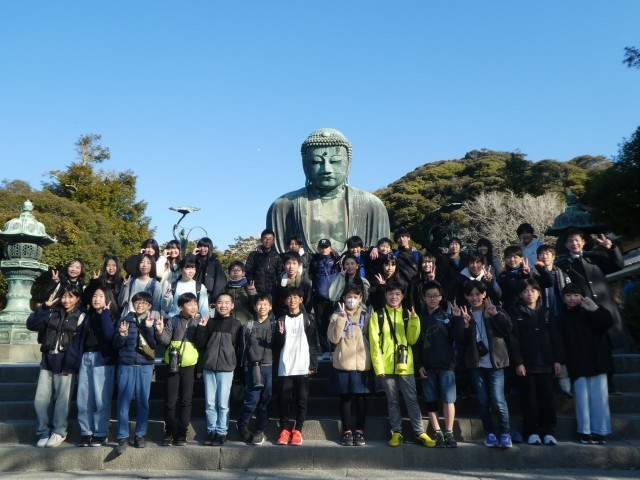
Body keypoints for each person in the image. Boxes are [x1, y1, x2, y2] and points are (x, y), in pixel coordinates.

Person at [267, 127, 390, 254]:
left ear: (348, 164)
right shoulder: (283, 206)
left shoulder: (372, 206)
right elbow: (278, 255)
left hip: (353, 267)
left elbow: (383, 254)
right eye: (316, 162)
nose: (326, 169)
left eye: (335, 161)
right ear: (305, 165)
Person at [368, 282, 435, 448]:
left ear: (402, 296)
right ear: (386, 295)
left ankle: (419, 432)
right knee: (392, 400)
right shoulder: (378, 315)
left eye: (397, 294)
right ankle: (396, 431)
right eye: (391, 294)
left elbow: (412, 340)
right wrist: (378, 367)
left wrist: (414, 321)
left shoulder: (407, 314)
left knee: (411, 399)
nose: (394, 297)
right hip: (386, 365)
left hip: (405, 364)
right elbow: (374, 343)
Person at [27, 285, 86, 448]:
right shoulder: (52, 312)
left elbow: (78, 344)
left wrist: (70, 365)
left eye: (71, 297)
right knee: (41, 399)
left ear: (77, 298)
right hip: (48, 359)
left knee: (62, 400)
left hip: (65, 362)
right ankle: (43, 431)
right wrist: (44, 308)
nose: (66, 300)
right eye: (64, 296)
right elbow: (31, 324)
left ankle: (59, 431)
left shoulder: (81, 316)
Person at [556, 283, 613, 444]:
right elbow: (560, 343)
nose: (572, 299)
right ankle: (585, 431)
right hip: (576, 362)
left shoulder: (590, 311)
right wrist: (561, 362)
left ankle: (600, 431)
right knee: (582, 398)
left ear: (581, 296)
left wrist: (595, 309)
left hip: (597, 361)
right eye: (568, 295)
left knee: (599, 398)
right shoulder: (560, 319)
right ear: (563, 299)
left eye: (575, 295)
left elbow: (608, 322)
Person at [508, 279, 562, 446]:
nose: (529, 294)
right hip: (527, 364)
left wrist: (558, 360)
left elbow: (555, 337)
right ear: (520, 295)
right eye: (525, 291)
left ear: (539, 293)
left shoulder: (546, 312)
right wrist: (518, 362)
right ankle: (531, 431)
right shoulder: (516, 313)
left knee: (548, 400)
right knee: (529, 400)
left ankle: (549, 432)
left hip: (546, 362)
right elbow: (514, 339)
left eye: (533, 290)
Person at [459, 280, 513, 448]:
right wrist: (465, 326)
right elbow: (461, 341)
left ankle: (505, 433)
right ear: (466, 296)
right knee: (482, 401)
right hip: (477, 365)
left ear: (484, 294)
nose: (474, 298)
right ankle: (489, 433)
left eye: (478, 294)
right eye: (471, 295)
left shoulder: (493, 309)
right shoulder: (464, 314)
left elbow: (507, 329)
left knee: (498, 400)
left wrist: (496, 314)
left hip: (495, 363)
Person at [555, 229, 626, 349]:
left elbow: (618, 266)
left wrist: (611, 249)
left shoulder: (594, 257)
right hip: (585, 310)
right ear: (566, 245)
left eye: (577, 240)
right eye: (570, 241)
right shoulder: (563, 264)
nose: (574, 243)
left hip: (606, 305)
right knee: (596, 345)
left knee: (616, 343)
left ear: (583, 242)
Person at [414, 281, 464, 448]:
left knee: (448, 400)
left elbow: (459, 338)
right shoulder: (419, 319)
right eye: (429, 296)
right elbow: (416, 344)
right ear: (424, 298)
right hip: (427, 366)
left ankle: (449, 432)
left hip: (446, 365)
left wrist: (457, 319)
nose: (432, 299)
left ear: (441, 297)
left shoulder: (448, 317)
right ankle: (437, 432)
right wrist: (418, 365)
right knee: (430, 400)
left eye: (435, 296)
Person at [194, 292, 243, 446]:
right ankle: (211, 431)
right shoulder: (210, 322)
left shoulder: (236, 324)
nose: (223, 305)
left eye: (227, 302)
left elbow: (239, 349)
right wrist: (201, 328)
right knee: (210, 402)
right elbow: (200, 345)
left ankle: (222, 432)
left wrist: (238, 371)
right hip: (209, 367)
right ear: (215, 305)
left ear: (232, 305)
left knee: (223, 403)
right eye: (220, 302)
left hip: (227, 368)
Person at [327, 285, 372, 446]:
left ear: (361, 299)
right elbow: (333, 338)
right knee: (345, 398)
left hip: (362, 363)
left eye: (355, 297)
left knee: (361, 398)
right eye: (349, 297)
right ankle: (347, 431)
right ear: (344, 299)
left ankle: (360, 431)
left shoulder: (366, 316)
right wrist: (341, 319)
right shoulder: (335, 316)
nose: (352, 300)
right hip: (343, 363)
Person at [155, 292, 202, 446]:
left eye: (195, 303)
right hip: (173, 364)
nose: (193, 307)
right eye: (189, 304)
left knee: (186, 401)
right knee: (170, 401)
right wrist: (160, 331)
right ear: (181, 306)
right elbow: (165, 341)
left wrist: (201, 328)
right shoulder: (174, 320)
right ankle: (169, 431)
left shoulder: (199, 321)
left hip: (190, 365)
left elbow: (202, 343)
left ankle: (182, 432)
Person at [273, 287, 319, 446]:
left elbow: (313, 343)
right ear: (285, 301)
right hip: (285, 365)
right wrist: (279, 335)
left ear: (301, 299)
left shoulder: (308, 319)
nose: (292, 300)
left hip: (302, 364)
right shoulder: (280, 319)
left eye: (295, 297)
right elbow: (276, 345)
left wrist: (313, 364)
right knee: (284, 398)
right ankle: (285, 430)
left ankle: (298, 430)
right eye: (289, 297)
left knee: (302, 398)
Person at [113, 291, 157, 454]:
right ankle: (122, 436)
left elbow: (154, 344)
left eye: (144, 303)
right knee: (123, 401)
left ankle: (140, 434)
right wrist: (122, 336)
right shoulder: (124, 320)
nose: (140, 305)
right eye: (137, 302)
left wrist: (150, 328)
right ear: (133, 303)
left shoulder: (151, 321)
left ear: (149, 306)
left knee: (143, 401)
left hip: (145, 366)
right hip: (126, 365)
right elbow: (116, 344)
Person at [76, 288, 117, 448]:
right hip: (86, 357)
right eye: (95, 296)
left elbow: (109, 335)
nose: (97, 299)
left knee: (101, 399)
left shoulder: (111, 317)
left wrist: (105, 314)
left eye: (101, 296)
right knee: (84, 398)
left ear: (108, 299)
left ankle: (100, 433)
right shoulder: (87, 317)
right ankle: (86, 432)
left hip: (102, 359)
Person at [236, 294, 275, 445]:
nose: (262, 307)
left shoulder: (275, 325)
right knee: (252, 399)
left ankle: (260, 429)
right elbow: (242, 349)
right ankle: (242, 423)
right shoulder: (248, 326)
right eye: (259, 304)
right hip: (251, 367)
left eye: (265, 304)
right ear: (254, 306)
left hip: (269, 366)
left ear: (270, 306)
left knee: (265, 400)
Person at [308, 238, 340, 354]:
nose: (323, 249)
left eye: (326, 247)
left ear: (330, 248)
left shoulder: (337, 259)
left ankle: (335, 348)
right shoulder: (314, 260)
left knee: (334, 323)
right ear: (318, 248)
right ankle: (325, 349)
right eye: (321, 247)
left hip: (334, 298)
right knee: (321, 324)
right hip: (319, 298)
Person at [118, 253, 164, 319]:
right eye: (142, 262)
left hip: (145, 320)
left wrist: (153, 321)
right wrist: (125, 286)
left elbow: (155, 307)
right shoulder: (131, 281)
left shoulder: (156, 285)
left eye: (148, 263)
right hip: (128, 318)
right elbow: (121, 303)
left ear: (152, 265)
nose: (144, 265)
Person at [272, 252, 313, 320]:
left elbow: (308, 303)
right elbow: (275, 301)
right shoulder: (278, 282)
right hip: (282, 317)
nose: (291, 267)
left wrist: (304, 317)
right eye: (288, 263)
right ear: (284, 265)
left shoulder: (305, 283)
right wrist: (279, 315)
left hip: (300, 317)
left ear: (299, 265)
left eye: (294, 263)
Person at [533, 244, 570, 318]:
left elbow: (570, 290)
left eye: (547, 254)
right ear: (537, 257)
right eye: (541, 254)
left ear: (553, 256)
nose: (544, 257)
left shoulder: (562, 274)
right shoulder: (534, 275)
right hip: (542, 311)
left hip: (562, 311)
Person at [245, 229, 284, 297]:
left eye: (270, 239)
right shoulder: (253, 255)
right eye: (265, 238)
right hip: (256, 291)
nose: (267, 241)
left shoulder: (277, 257)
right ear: (261, 240)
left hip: (272, 292)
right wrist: (251, 284)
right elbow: (248, 271)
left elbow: (279, 273)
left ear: (273, 241)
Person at [193, 237, 227, 306]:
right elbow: (184, 267)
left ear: (209, 247)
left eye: (205, 246)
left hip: (209, 295)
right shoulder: (194, 260)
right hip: (193, 294)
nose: (202, 248)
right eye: (200, 246)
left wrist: (214, 297)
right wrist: (192, 255)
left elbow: (221, 281)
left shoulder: (215, 262)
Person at [497, 245, 532, 310]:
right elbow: (498, 294)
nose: (512, 260)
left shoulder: (529, 272)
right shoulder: (502, 275)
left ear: (521, 259)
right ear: (505, 259)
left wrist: (528, 274)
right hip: (509, 308)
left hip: (527, 308)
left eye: (515, 257)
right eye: (508, 257)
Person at [435, 237, 469, 303]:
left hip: (464, 292)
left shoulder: (466, 258)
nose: (454, 246)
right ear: (448, 246)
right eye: (451, 244)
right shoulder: (442, 258)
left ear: (460, 246)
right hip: (448, 293)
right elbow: (438, 275)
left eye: (456, 244)